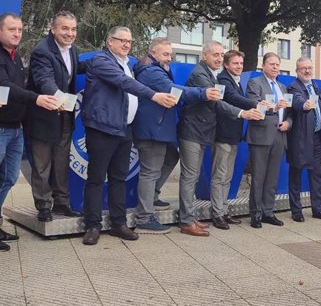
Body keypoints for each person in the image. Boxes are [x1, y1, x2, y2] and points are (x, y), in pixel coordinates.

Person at [80, 26, 178, 246]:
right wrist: (154, 95)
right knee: (96, 179)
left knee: (118, 178)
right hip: (102, 128)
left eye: (129, 41)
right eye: (121, 40)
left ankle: (118, 223)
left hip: (124, 129)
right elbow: (125, 83)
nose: (126, 44)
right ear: (109, 42)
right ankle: (92, 226)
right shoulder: (102, 61)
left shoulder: (128, 64)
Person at [132, 38, 218, 234]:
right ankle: (144, 217)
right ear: (153, 53)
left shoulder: (156, 67)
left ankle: (153, 195)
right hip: (152, 130)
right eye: (165, 54)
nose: (169, 58)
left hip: (159, 129)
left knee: (171, 157)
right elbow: (175, 91)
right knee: (150, 172)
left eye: (170, 54)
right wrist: (204, 93)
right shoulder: (152, 71)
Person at [177, 41, 261, 236]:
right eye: (215, 54)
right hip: (192, 132)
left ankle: (191, 217)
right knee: (190, 178)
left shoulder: (211, 75)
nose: (218, 58)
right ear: (204, 55)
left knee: (198, 176)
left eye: (221, 54)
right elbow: (218, 105)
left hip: (202, 132)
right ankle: (187, 221)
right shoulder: (200, 75)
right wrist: (243, 113)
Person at [0, 13, 58, 252]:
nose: (17, 34)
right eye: (12, 29)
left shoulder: (15, 58)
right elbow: (5, 86)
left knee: (9, 178)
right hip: (1, 128)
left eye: (20, 30)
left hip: (15, 129)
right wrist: (37, 99)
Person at [25, 11, 83, 222]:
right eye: (65, 28)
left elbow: (74, 72)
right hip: (43, 116)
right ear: (53, 29)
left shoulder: (73, 50)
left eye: (73, 29)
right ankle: (43, 206)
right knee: (42, 165)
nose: (70, 33)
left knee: (61, 162)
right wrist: (58, 98)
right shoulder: (42, 51)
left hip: (65, 116)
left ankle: (62, 203)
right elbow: (45, 81)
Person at [246, 52, 292, 228]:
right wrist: (273, 106)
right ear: (263, 66)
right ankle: (255, 214)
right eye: (271, 64)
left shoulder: (282, 87)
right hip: (261, 136)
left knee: (273, 177)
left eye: (277, 64)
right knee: (258, 177)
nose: (275, 67)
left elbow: (289, 113)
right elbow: (254, 103)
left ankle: (268, 211)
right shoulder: (255, 83)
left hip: (280, 136)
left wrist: (288, 123)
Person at [213, 50, 258, 229]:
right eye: (235, 63)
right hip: (223, 135)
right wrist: (255, 104)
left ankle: (223, 210)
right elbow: (231, 98)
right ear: (226, 65)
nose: (239, 66)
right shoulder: (224, 80)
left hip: (233, 136)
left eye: (240, 63)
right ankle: (217, 214)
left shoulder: (235, 80)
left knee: (227, 176)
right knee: (220, 175)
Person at [285, 57, 321, 222]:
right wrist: (304, 105)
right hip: (300, 138)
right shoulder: (293, 87)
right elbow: (297, 101)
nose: (307, 71)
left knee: (317, 174)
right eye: (303, 68)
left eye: (309, 68)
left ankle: (318, 209)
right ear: (297, 71)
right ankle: (296, 210)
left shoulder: (315, 87)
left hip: (317, 137)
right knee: (296, 173)